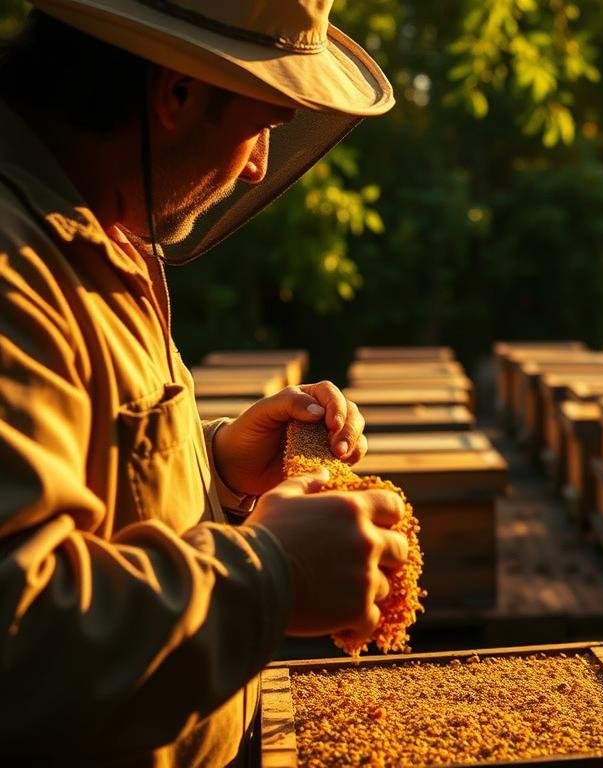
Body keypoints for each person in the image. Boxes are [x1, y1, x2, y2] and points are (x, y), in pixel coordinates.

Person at [0, 1, 401, 765]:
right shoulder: (13, 268)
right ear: (177, 95)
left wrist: (213, 465)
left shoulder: (88, 229)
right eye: (262, 127)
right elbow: (18, 644)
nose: (257, 166)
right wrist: (270, 574)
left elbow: (88, 494)